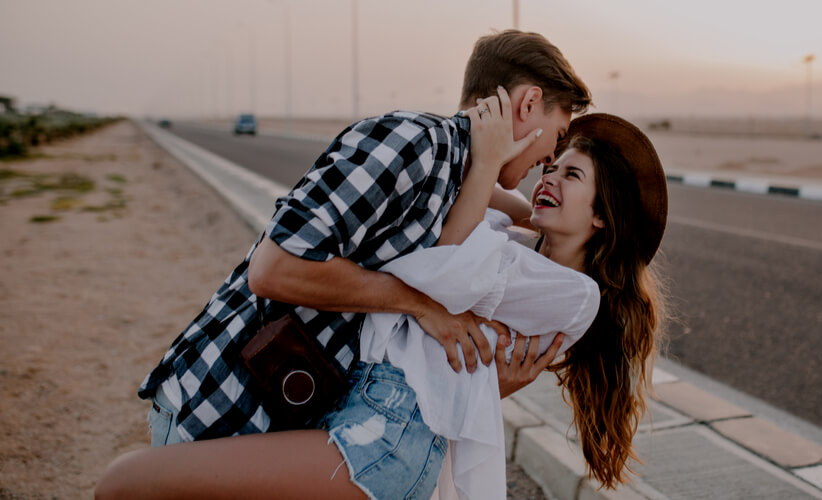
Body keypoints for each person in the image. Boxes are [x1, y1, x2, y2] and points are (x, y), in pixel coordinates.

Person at [96, 109, 668, 499]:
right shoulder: (512, 245)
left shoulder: (574, 294)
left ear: (602, 215)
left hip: (389, 435)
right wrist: (490, 163)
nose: (550, 176)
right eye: (553, 164)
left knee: (127, 482)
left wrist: (488, 160)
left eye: (572, 174)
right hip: (363, 409)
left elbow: (446, 260)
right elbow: (472, 226)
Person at [128, 29, 591, 446]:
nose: (551, 156)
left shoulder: (456, 175)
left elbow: (510, 212)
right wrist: (421, 304)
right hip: (220, 407)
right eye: (558, 134)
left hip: (268, 413)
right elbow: (274, 269)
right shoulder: (416, 143)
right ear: (529, 104)